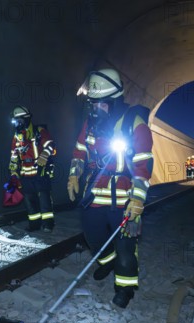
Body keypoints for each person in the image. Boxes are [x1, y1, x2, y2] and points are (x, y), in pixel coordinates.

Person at [68, 68, 153, 308]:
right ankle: (107, 261)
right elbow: (79, 151)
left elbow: (142, 165)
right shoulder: (91, 123)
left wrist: (137, 201)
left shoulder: (134, 125)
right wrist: (73, 175)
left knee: (126, 247)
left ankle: (125, 287)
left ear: (114, 102)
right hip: (95, 194)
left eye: (100, 104)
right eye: (92, 104)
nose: (95, 109)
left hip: (123, 198)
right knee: (92, 237)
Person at [7, 105, 56, 232]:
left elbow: (51, 144)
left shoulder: (39, 131)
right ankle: (34, 225)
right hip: (26, 175)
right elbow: (13, 156)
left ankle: (48, 224)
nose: (17, 124)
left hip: (40, 171)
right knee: (30, 201)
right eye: (15, 121)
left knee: (44, 200)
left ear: (26, 119)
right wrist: (13, 172)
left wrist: (44, 155)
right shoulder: (17, 137)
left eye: (20, 121)